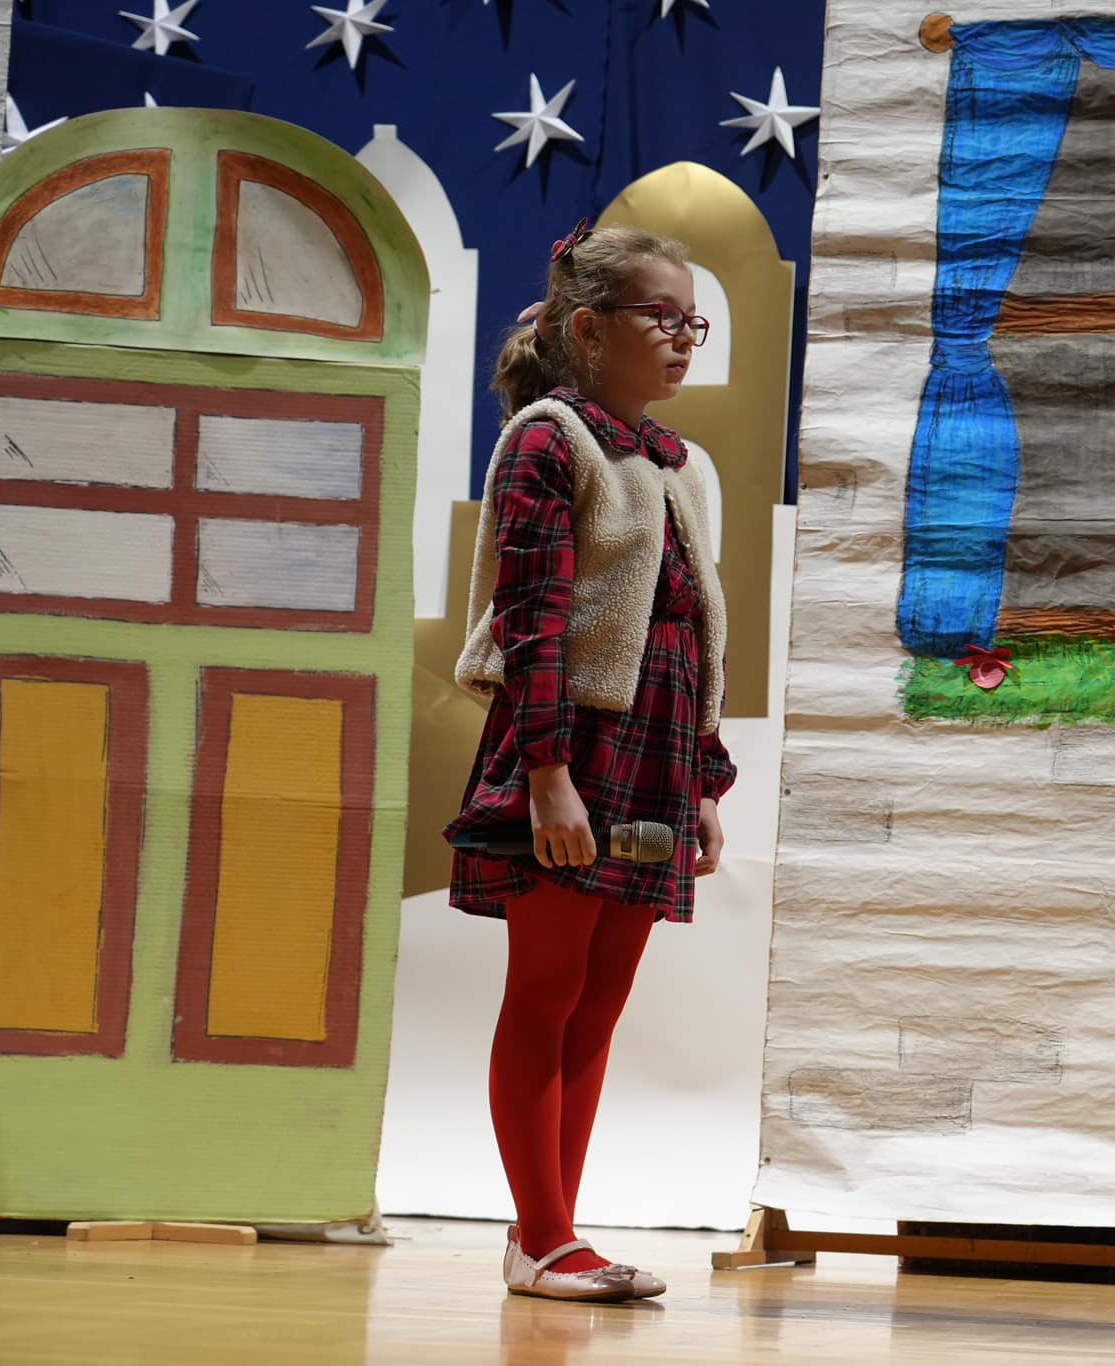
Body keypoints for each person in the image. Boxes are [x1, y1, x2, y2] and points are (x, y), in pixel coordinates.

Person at [446, 219, 733, 1303]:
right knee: (546, 989)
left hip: (655, 751)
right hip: (575, 745)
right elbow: (531, 616)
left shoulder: (678, 465)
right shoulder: (548, 440)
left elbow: (692, 624)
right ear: (589, 328)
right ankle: (543, 1237)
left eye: (693, 320)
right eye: (661, 316)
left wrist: (702, 776)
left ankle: (553, 1236)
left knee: (599, 1001)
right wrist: (547, 774)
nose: (683, 337)